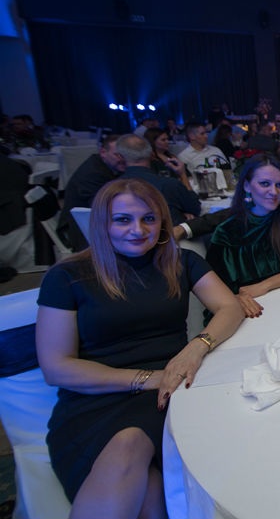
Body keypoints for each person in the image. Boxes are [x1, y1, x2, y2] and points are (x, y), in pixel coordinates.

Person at [35, 179, 243, 516]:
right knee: (139, 467)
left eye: (149, 219)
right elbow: (56, 367)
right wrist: (149, 378)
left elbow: (230, 308)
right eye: (122, 220)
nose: (138, 230)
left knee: (146, 476)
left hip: (170, 392)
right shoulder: (68, 276)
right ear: (102, 223)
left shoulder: (181, 261)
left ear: (162, 221)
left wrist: (196, 347)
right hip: (96, 398)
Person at [206, 153, 280, 318]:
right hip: (250, 310)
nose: (274, 192)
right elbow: (215, 289)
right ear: (247, 186)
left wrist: (264, 286)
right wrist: (235, 299)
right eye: (265, 183)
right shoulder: (228, 232)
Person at [58, 135, 126, 251]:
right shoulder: (94, 173)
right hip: (82, 231)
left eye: (126, 155)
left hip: (94, 222)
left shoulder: (103, 165)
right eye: (118, 155)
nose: (123, 159)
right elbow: (104, 208)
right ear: (103, 152)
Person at [117, 134, 201, 225]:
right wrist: (183, 175)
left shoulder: (112, 188)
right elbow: (195, 208)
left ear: (120, 157)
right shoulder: (170, 184)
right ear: (151, 154)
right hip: (171, 233)